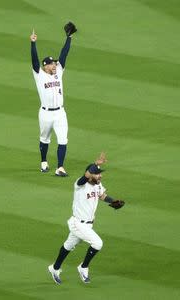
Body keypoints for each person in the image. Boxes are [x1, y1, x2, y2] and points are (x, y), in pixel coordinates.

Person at [47, 152, 125, 284]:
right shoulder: (80, 184)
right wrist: (94, 165)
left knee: (68, 245)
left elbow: (102, 196)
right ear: (89, 175)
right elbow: (85, 176)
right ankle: (83, 267)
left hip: (88, 224)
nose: (100, 176)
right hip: (78, 223)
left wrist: (113, 201)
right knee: (97, 243)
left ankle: (54, 268)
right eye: (97, 174)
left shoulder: (97, 184)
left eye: (100, 173)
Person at [30, 24, 76, 177]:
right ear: (45, 66)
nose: (55, 65)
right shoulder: (39, 74)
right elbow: (34, 60)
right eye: (52, 63)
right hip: (45, 113)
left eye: (55, 63)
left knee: (63, 139)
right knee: (45, 138)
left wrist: (68, 38)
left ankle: (60, 167)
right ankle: (43, 161)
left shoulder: (59, 72)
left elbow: (64, 54)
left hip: (60, 113)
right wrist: (33, 43)